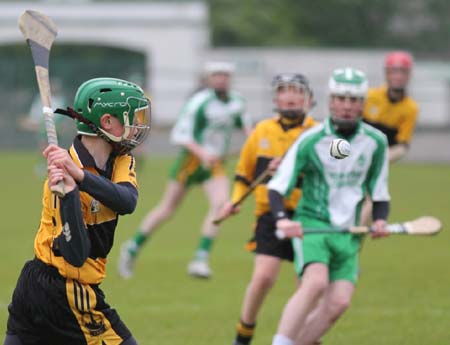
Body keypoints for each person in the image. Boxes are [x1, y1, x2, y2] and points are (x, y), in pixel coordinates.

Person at [4, 77, 151, 345]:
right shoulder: (58, 178)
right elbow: (75, 253)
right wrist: (71, 192)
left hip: (47, 287)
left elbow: (127, 201)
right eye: (130, 118)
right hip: (65, 287)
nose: (136, 126)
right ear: (106, 122)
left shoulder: (121, 160)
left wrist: (80, 177)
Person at [267, 67, 390, 345]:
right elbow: (277, 186)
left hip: (349, 233)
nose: (347, 106)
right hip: (313, 224)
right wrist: (282, 219)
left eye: (354, 100)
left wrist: (380, 220)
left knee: (339, 303)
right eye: (341, 99)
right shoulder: (311, 139)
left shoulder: (376, 142)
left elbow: (379, 192)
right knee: (315, 283)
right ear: (330, 100)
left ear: (362, 103)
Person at [118, 61, 252, 279]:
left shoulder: (237, 102)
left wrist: (255, 144)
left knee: (220, 205)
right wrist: (202, 153)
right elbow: (180, 135)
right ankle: (132, 248)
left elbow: (248, 129)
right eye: (217, 75)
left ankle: (200, 258)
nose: (221, 79)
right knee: (167, 209)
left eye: (225, 75)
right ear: (209, 78)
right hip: (190, 161)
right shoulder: (199, 102)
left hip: (215, 165)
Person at [217, 73, 317, 345]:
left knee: (306, 286)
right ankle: (243, 335)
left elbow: (336, 160)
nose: (290, 96)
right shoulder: (262, 131)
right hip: (269, 215)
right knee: (263, 277)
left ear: (308, 98)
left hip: (306, 218)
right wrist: (234, 200)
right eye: (284, 91)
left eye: (296, 91)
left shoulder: (318, 132)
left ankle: (307, 338)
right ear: (276, 98)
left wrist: (292, 165)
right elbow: (243, 175)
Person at [360, 51, 418, 225]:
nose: (398, 76)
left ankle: (352, 243)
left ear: (409, 75)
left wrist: (381, 158)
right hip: (351, 158)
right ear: (386, 73)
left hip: (376, 166)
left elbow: (403, 146)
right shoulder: (368, 97)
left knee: (370, 205)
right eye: (394, 71)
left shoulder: (410, 109)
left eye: (402, 72)